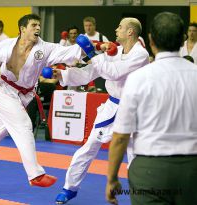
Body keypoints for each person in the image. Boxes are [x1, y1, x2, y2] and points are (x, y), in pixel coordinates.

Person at [0, 14, 83, 195]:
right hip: (4, 91)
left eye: (39, 25)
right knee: (23, 124)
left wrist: (91, 48)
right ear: (23, 29)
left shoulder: (45, 48)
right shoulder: (7, 45)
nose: (38, 28)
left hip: (23, 96)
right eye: (33, 25)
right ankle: (35, 174)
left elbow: (70, 53)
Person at [54, 17, 149, 204]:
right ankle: (69, 188)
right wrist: (64, 75)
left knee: (135, 156)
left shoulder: (141, 55)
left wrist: (91, 52)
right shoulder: (116, 51)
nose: (116, 29)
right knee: (88, 148)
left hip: (133, 110)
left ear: (130, 32)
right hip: (111, 106)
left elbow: (113, 72)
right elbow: (91, 72)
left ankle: (143, 197)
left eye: (120, 27)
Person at [105, 12, 197, 205]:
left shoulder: (139, 78)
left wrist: (112, 179)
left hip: (150, 168)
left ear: (150, 40)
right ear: (183, 40)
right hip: (192, 168)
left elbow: (121, 136)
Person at [83, 16, 109, 92]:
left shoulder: (102, 37)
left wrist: (97, 61)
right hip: (85, 67)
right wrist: (88, 60)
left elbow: (109, 53)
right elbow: (79, 54)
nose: (88, 28)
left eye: (90, 25)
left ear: (94, 26)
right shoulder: (82, 38)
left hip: (99, 69)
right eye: (86, 26)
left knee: (99, 91)